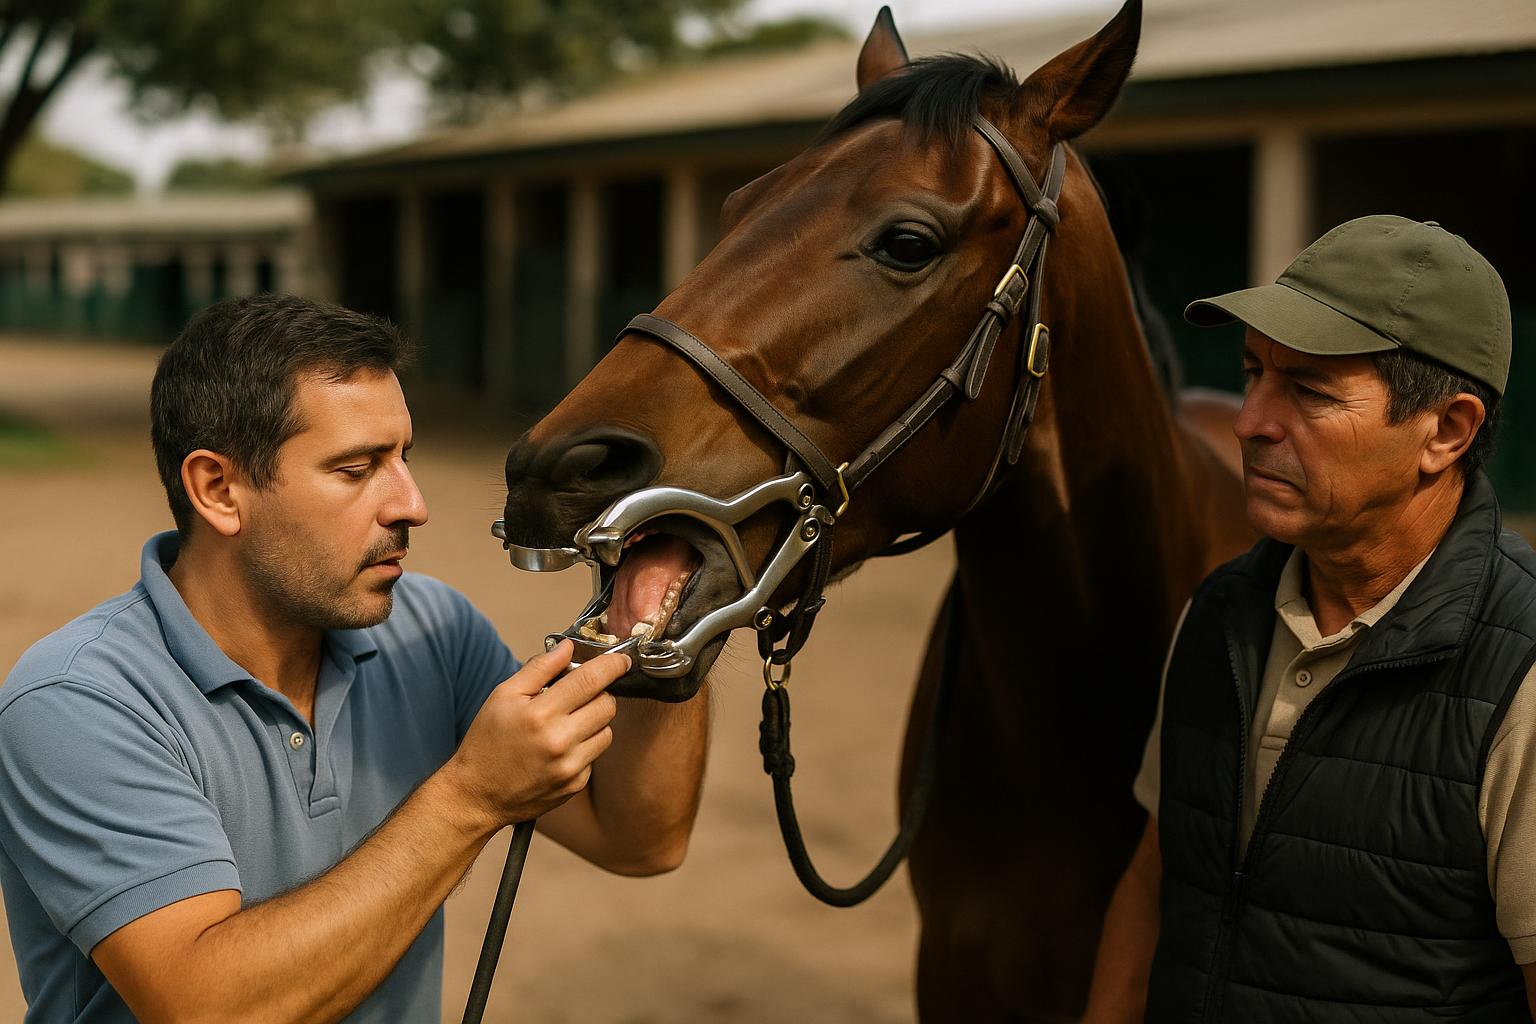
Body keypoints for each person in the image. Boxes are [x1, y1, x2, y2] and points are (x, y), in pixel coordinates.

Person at [0, 295, 710, 1023]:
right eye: (356, 469)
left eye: (404, 457)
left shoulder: (435, 630)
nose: (412, 503)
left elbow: (639, 838)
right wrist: (470, 797)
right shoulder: (76, 701)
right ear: (218, 490)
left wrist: (665, 629)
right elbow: (205, 1008)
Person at [1081, 215, 1535, 1020]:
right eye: (1253, 372)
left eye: (1310, 392)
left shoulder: (1521, 674)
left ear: (1448, 430)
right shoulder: (1217, 614)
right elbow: (1159, 871)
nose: (1250, 421)